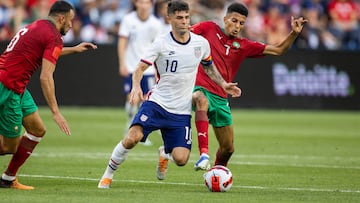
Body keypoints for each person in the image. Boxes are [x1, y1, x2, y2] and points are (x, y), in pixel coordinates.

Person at [98, 0, 241, 189]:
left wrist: (223, 84)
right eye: (179, 17)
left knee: (181, 159)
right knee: (132, 138)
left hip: (181, 111)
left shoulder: (201, 44)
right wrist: (135, 87)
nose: (184, 21)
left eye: (187, 17)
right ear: (170, 18)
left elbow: (209, 67)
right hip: (157, 103)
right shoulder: (161, 43)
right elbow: (140, 68)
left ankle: (164, 153)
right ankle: (107, 176)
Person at [191, 2, 307, 170]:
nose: (237, 26)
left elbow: (278, 50)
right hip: (200, 88)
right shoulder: (208, 28)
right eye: (234, 20)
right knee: (201, 99)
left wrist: (294, 34)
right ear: (225, 19)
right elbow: (184, 36)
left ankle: (216, 173)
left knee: (228, 148)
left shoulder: (243, 46)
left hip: (221, 98)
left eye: (241, 23)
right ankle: (203, 154)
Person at [0, 0, 97, 190]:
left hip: (16, 86)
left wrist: (75, 49)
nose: (71, 24)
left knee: (37, 130)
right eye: (70, 20)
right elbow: (45, 77)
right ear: (61, 18)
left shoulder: (37, 25)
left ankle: (8, 179)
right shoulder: (53, 36)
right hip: (8, 86)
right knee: (9, 147)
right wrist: (55, 111)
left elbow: (47, 51)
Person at [118, 0, 162, 146]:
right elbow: (122, 42)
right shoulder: (128, 20)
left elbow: (159, 48)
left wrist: (157, 69)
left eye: (146, 3)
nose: (144, 5)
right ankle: (129, 126)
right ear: (136, 4)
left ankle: (141, 132)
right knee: (131, 98)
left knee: (146, 101)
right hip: (131, 67)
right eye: (141, 2)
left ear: (151, 5)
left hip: (148, 69)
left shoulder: (156, 24)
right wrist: (122, 63)